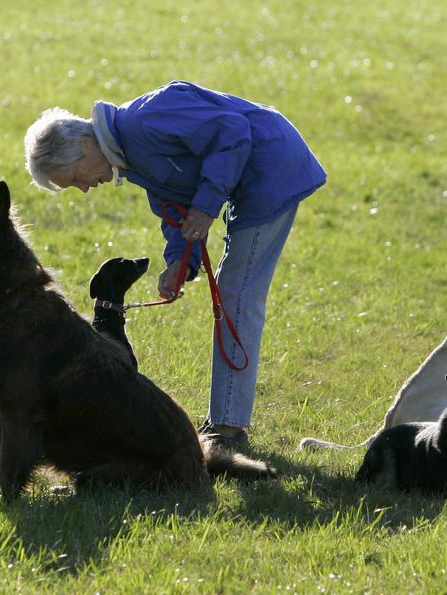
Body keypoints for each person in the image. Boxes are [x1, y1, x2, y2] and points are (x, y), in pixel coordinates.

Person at [24, 80, 327, 447]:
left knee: (235, 296)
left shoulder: (147, 120)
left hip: (274, 168)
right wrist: (179, 264)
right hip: (251, 179)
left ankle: (228, 429)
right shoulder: (129, 156)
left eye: (75, 179)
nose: (85, 188)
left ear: (84, 145)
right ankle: (226, 423)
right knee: (233, 294)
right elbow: (175, 207)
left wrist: (206, 206)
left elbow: (233, 131)